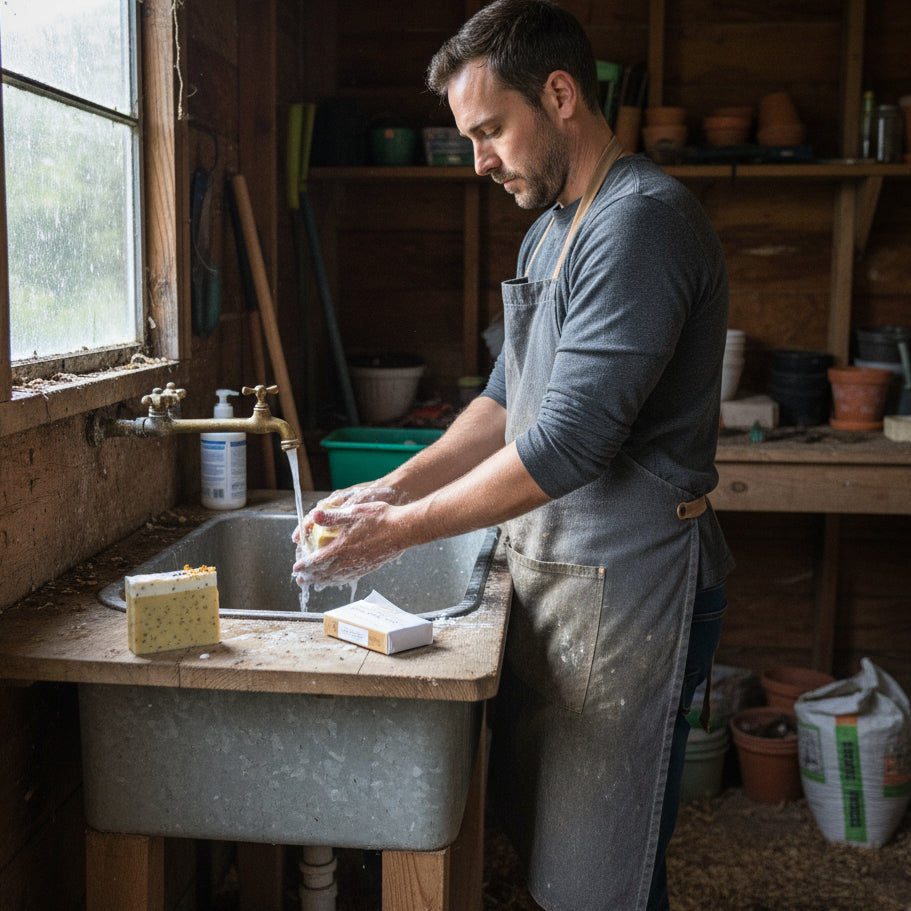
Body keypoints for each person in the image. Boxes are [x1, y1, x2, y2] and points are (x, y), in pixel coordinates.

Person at [293, 1, 734, 908]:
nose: (479, 157)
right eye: (469, 136)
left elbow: (568, 439)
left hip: (632, 580)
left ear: (561, 94)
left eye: (490, 130)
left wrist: (398, 532)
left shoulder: (639, 222)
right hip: (560, 575)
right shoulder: (551, 228)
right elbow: (502, 400)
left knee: (601, 874)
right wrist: (391, 482)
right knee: (550, 849)